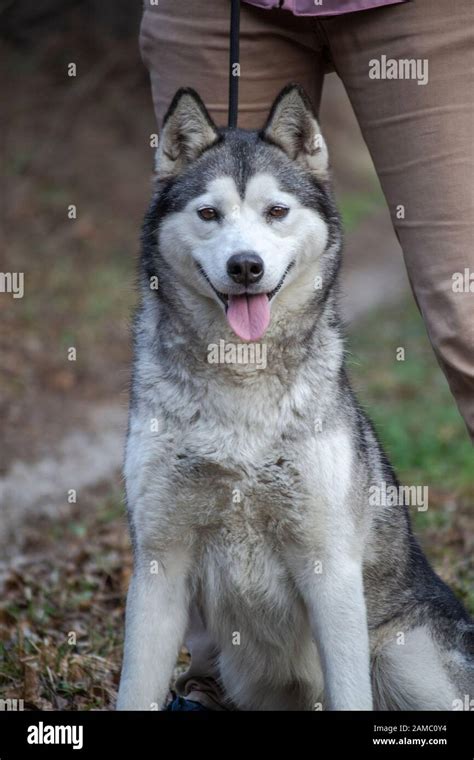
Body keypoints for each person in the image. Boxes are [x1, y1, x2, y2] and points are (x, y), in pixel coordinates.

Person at [138, 0, 474, 710]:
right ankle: (220, 683)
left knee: (466, 311)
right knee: (210, 255)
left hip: (415, 9)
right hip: (221, 10)